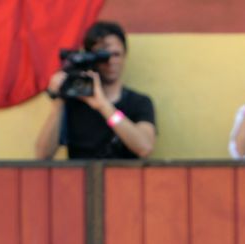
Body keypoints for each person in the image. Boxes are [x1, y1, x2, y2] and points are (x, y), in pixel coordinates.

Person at [34, 20, 155, 160]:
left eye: (116, 54)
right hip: (81, 174)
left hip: (123, 175)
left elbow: (144, 148)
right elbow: (42, 156)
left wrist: (104, 106)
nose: (110, 62)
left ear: (124, 55)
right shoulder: (74, 103)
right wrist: (58, 102)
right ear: (91, 58)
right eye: (103, 56)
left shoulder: (139, 102)